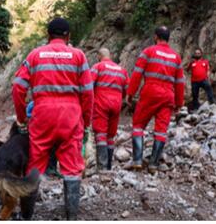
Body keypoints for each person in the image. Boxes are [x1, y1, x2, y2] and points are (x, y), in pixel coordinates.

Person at [12, 17, 94, 220]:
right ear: (68, 36)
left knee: (35, 163)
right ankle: (71, 216)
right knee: (72, 167)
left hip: (42, 115)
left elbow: (18, 87)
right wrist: (86, 122)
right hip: (70, 116)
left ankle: (26, 216)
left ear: (48, 36)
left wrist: (22, 118)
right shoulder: (78, 56)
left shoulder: (35, 55)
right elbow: (88, 92)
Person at [126, 26, 185, 174]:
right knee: (161, 130)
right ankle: (153, 163)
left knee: (138, 125)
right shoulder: (176, 57)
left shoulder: (148, 51)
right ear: (168, 38)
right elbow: (179, 82)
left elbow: (137, 73)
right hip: (168, 95)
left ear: (155, 37)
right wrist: (179, 103)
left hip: (150, 92)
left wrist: (130, 93)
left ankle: (138, 160)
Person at [91, 48, 129, 171]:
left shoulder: (98, 67)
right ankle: (109, 166)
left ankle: (102, 167)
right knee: (110, 135)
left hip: (101, 102)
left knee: (101, 133)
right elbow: (127, 89)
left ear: (99, 56)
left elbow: (89, 84)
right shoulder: (122, 70)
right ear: (110, 55)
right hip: (116, 103)